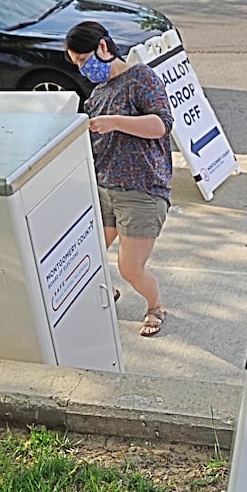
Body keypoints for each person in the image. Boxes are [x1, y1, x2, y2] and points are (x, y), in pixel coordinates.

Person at [65, 21, 173, 338]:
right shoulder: (97, 95)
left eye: (85, 60)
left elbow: (161, 125)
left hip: (142, 189)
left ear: (103, 47)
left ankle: (155, 306)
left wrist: (114, 122)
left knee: (130, 267)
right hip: (105, 188)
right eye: (78, 65)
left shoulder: (140, 78)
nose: (84, 69)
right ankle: (106, 291)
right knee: (89, 251)